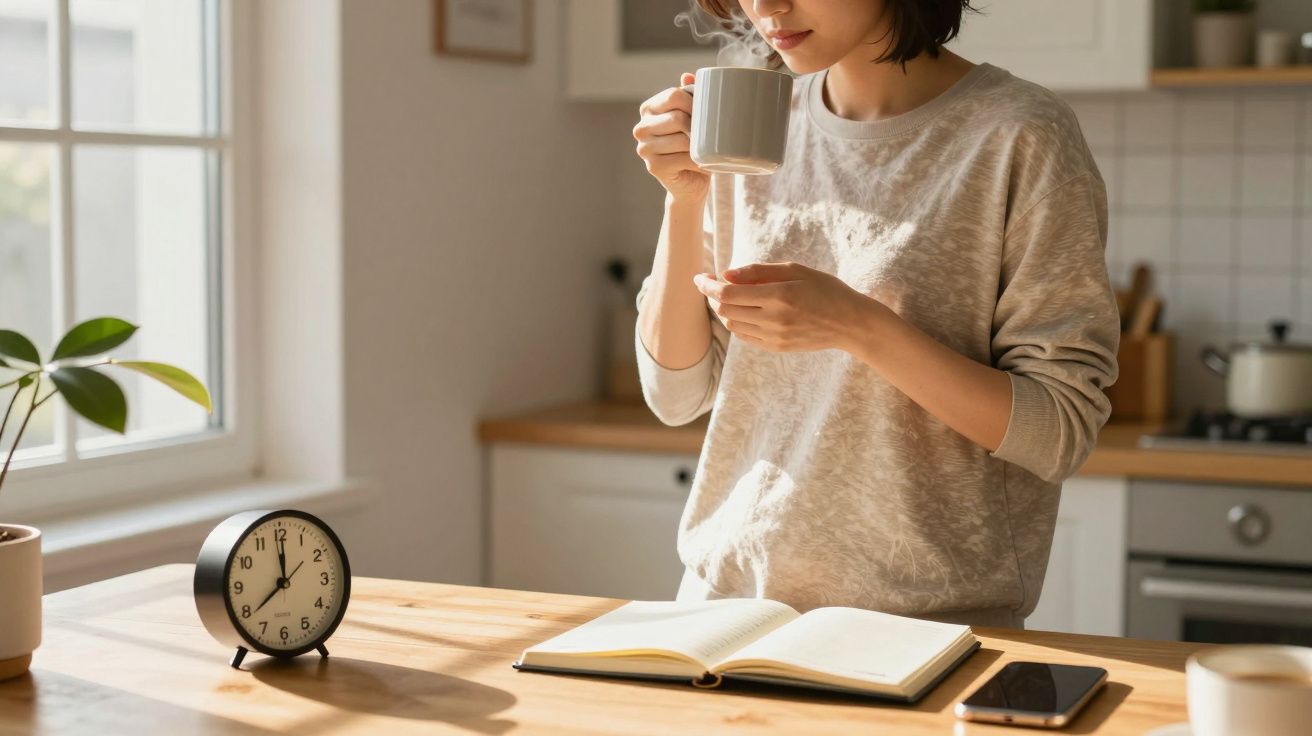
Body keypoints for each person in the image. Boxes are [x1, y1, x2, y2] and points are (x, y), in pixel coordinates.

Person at [630, 0, 1119, 628]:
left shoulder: (1018, 133)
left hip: (925, 635)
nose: (768, 8)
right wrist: (684, 198)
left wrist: (859, 327)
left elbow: (1058, 433)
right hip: (724, 612)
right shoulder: (751, 124)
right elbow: (675, 394)